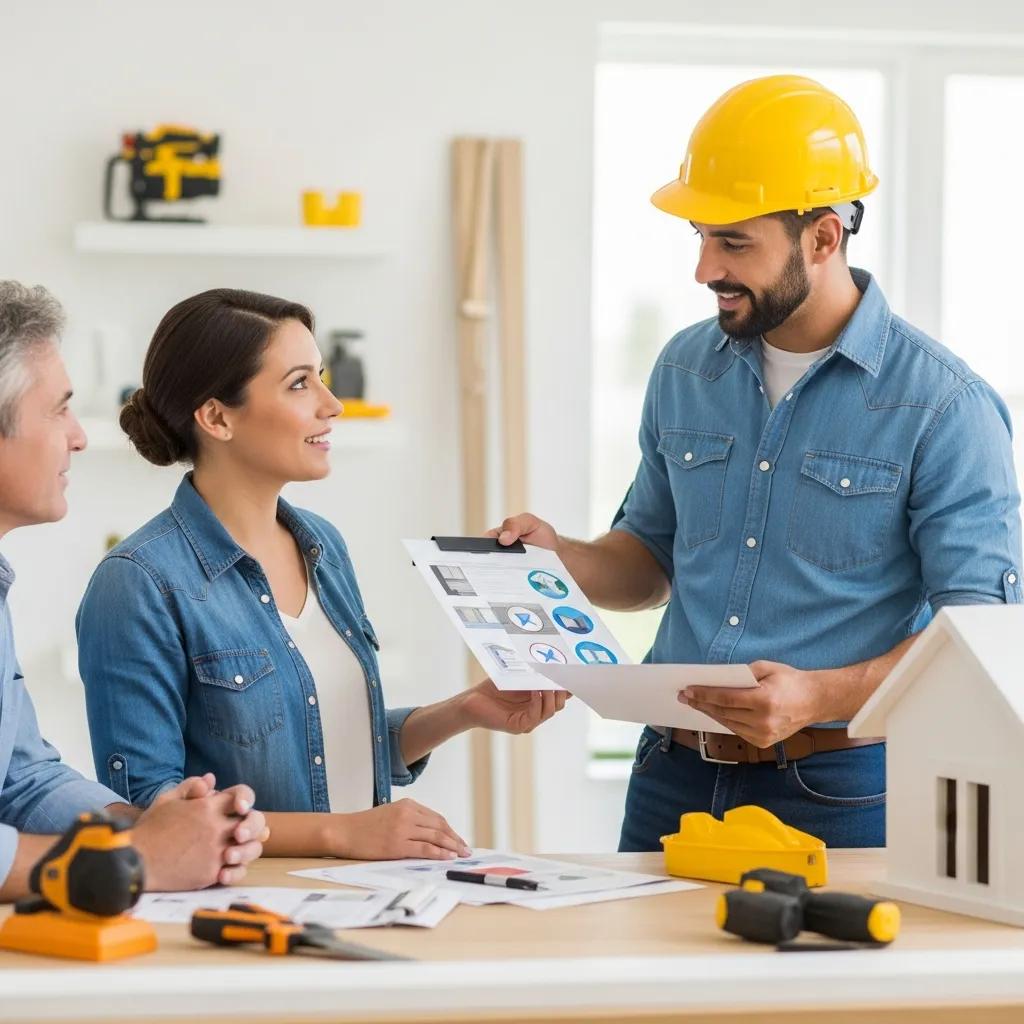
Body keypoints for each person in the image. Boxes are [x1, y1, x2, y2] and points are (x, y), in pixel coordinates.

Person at [492, 75, 1022, 851]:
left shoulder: (943, 406)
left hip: (841, 786)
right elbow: (650, 561)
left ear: (823, 238)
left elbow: (978, 635)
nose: (705, 269)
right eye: (701, 237)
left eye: (734, 242)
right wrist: (560, 558)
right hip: (671, 773)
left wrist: (820, 695)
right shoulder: (685, 370)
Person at [77, 288, 566, 860]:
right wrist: (340, 833)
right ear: (216, 417)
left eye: (322, 378)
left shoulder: (323, 545)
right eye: (299, 383)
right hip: (245, 901)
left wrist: (463, 711)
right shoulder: (137, 582)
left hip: (361, 891)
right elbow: (147, 810)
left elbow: (330, 743)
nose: (332, 405)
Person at [0, 281, 266, 901]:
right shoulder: (137, 576)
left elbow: (21, 778)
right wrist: (131, 858)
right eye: (58, 410)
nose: (79, 437)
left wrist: (148, 825)